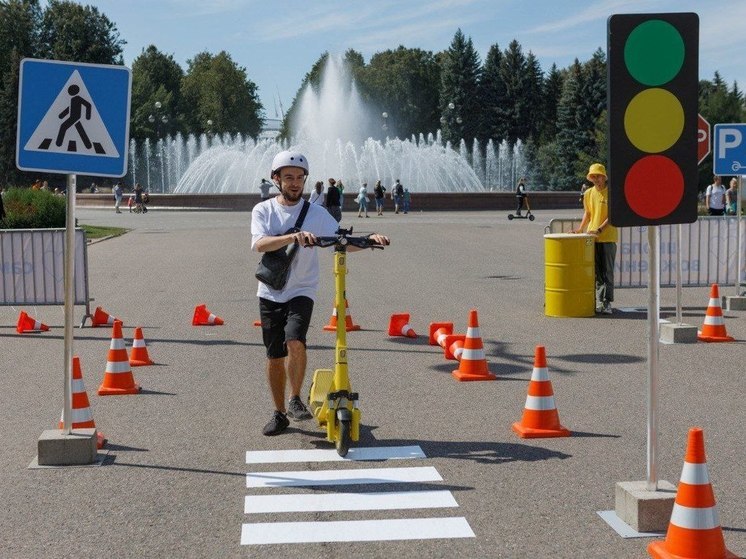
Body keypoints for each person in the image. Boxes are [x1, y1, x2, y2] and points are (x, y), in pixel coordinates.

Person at [251, 151, 390, 436]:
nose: (295, 183)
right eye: (288, 177)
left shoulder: (316, 213)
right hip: (271, 290)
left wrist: (369, 240)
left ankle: (295, 398)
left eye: (299, 178)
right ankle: (279, 413)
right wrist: (293, 237)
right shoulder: (263, 210)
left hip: (302, 289)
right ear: (276, 179)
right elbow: (260, 244)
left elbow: (341, 241)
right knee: (274, 354)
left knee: (295, 341)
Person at [572, 163, 617, 315]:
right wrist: (580, 228)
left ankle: (607, 303)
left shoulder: (611, 193)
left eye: (598, 176)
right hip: (592, 237)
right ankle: (599, 301)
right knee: (597, 272)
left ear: (604, 177)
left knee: (607, 271)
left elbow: (612, 216)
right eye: (593, 176)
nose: (596, 179)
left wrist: (599, 230)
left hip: (608, 237)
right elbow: (588, 213)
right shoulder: (589, 193)